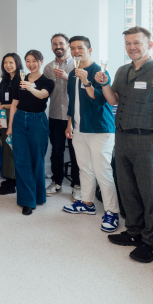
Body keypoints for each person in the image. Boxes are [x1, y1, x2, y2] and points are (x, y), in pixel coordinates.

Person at [99, 26, 153, 263]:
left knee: (150, 195)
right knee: (127, 189)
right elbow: (113, 100)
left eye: (137, 43)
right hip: (123, 138)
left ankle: (152, 244)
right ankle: (133, 232)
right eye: (128, 43)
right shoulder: (122, 70)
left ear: (149, 45)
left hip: (148, 141)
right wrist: (104, 84)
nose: (132, 47)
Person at [61, 36, 120, 233]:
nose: (76, 51)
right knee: (84, 168)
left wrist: (86, 81)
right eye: (73, 48)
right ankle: (87, 203)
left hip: (99, 130)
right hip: (79, 129)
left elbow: (101, 101)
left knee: (103, 171)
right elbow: (72, 102)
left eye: (80, 48)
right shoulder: (72, 73)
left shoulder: (100, 72)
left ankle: (112, 212)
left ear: (90, 50)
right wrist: (70, 124)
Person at [7, 50, 55, 215]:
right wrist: (10, 127)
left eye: (34, 60)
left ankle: (39, 196)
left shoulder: (47, 81)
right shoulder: (19, 79)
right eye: (28, 61)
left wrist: (30, 87)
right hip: (19, 120)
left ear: (41, 61)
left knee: (37, 161)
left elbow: (43, 95)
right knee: (21, 160)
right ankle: (27, 200)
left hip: (38, 121)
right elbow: (14, 104)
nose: (31, 64)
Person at [44, 33, 80, 198]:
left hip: (75, 116)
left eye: (61, 43)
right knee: (56, 152)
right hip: (55, 115)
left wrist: (68, 77)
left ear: (67, 45)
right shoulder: (48, 68)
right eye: (54, 44)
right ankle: (56, 182)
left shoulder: (77, 64)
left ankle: (77, 185)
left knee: (76, 152)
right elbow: (45, 91)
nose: (57, 46)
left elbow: (83, 89)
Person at [0, 53, 23, 195]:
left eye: (11, 62)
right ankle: (10, 177)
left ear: (17, 63)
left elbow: (19, 103)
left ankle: (12, 182)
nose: (8, 65)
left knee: (11, 147)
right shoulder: (4, 79)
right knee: (5, 145)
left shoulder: (20, 79)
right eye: (5, 63)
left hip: (14, 115)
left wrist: (3, 107)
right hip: (3, 114)